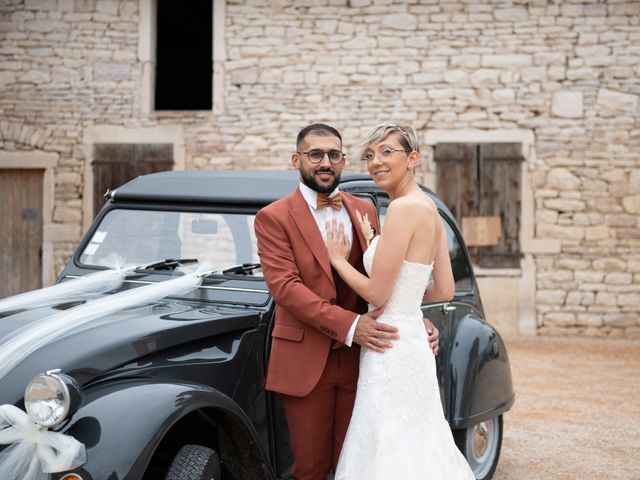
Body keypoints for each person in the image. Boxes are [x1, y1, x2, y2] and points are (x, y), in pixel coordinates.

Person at [254, 123, 440, 480]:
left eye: (334, 154)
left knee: (357, 463)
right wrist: (351, 325)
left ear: (342, 161)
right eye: (315, 154)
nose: (326, 162)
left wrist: (416, 318)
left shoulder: (365, 210)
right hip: (308, 360)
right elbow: (286, 288)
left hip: (365, 360)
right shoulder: (273, 217)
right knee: (310, 468)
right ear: (297, 160)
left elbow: (391, 277)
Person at [325, 124, 475, 479]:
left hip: (388, 346)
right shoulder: (429, 209)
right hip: (409, 341)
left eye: (387, 152)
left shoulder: (404, 209)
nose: (376, 162)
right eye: (370, 155)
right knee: (419, 443)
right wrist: (410, 310)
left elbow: (376, 294)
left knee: (387, 447)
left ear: (412, 159)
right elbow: (444, 291)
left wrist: (338, 260)